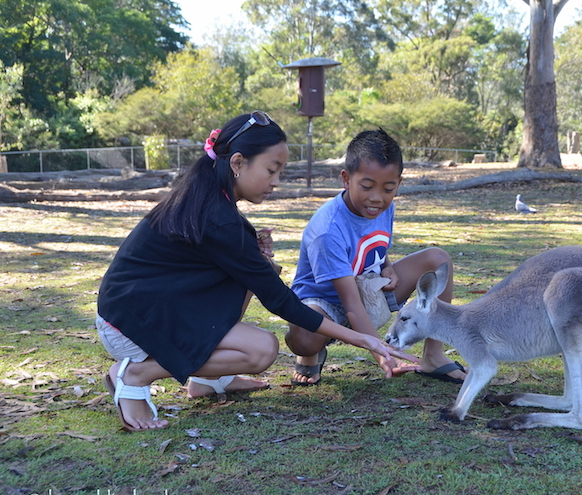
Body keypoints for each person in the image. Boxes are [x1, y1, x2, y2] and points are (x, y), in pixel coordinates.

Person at [96, 112, 416, 432]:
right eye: (271, 170)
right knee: (262, 350)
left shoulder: (210, 197)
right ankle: (136, 375)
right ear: (237, 163)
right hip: (128, 324)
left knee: (247, 282)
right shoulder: (218, 218)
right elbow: (282, 302)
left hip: (147, 308)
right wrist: (362, 339)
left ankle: (210, 380)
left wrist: (254, 254)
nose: (276, 181)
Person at [285, 129, 467, 385]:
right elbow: (350, 304)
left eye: (388, 188)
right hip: (324, 302)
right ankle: (312, 353)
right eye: (367, 186)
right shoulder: (327, 230)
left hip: (367, 288)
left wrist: (387, 265)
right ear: (346, 179)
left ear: (398, 184)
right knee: (305, 338)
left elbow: (371, 244)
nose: (377, 198)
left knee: (438, 260)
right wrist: (383, 354)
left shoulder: (384, 207)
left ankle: (434, 356)